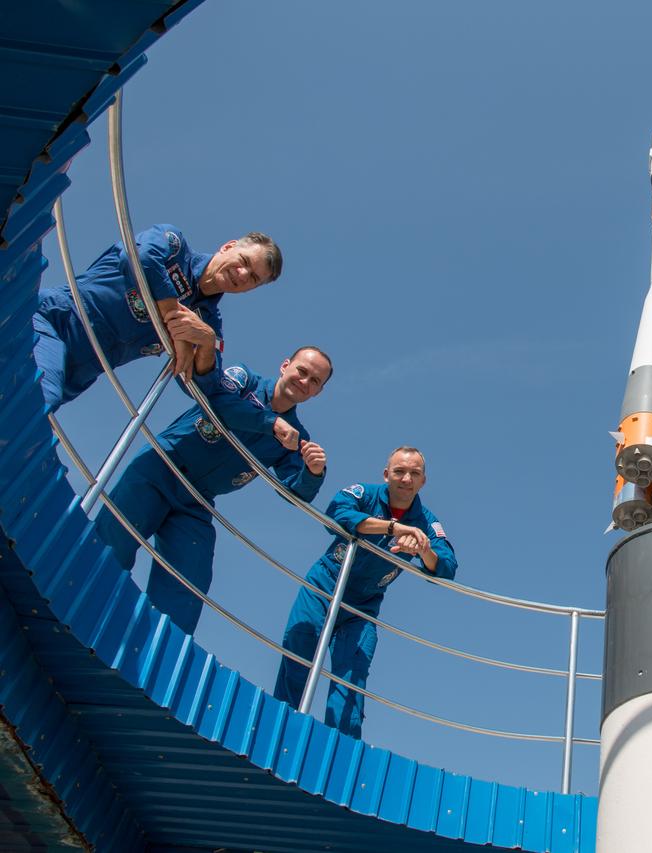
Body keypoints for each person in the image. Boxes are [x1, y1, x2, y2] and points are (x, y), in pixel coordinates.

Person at [94, 347, 331, 634]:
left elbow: (295, 492)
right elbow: (218, 401)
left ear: (317, 393)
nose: (304, 381)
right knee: (111, 544)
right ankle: (82, 607)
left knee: (189, 580)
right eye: (302, 371)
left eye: (315, 381)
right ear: (285, 366)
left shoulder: (298, 437)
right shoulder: (244, 378)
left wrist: (313, 472)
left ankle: (151, 653)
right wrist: (269, 423)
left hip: (197, 502)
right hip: (161, 467)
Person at [273, 447, 458, 739]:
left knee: (352, 677)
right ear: (386, 475)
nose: (406, 479)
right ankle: (279, 730)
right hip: (325, 584)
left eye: (414, 473)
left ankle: (340, 752)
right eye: (399, 471)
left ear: (423, 481)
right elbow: (336, 513)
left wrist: (424, 551)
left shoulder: (427, 523)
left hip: (365, 605)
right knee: (298, 649)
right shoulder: (364, 493)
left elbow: (446, 566)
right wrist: (392, 528)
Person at [33, 224, 282, 411]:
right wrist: (171, 311)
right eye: (244, 261)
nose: (241, 274)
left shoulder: (206, 323)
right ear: (228, 247)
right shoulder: (174, 246)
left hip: (80, 372)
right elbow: (139, 257)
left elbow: (204, 387)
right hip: (54, 324)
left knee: (30, 418)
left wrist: (205, 342)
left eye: (252, 278)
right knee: (37, 398)